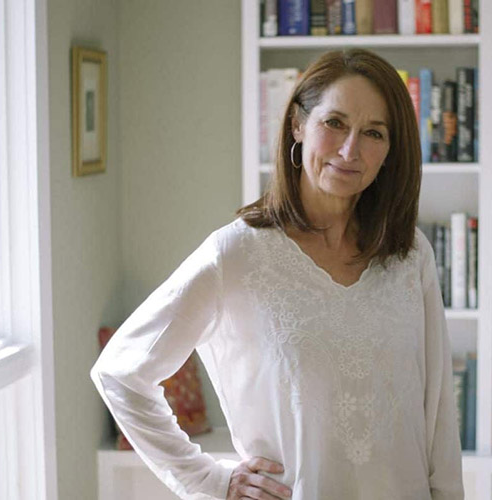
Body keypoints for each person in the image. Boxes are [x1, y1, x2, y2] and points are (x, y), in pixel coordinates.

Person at [91, 48, 464, 500]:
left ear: (390, 151)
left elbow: (438, 413)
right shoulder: (237, 254)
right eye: (335, 123)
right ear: (297, 125)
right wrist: (209, 480)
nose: (350, 150)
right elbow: (121, 372)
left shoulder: (409, 255)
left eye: (373, 133)